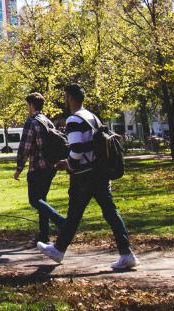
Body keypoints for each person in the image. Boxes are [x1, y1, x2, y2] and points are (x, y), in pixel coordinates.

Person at [37, 84, 138, 270]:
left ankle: (58, 250)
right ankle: (126, 253)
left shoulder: (74, 120)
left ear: (71, 98)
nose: (65, 100)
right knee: (110, 213)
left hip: (84, 175)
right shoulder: (92, 117)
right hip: (99, 172)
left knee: (75, 214)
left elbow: (76, 149)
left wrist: (66, 163)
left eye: (66, 97)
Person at [13, 92, 67, 245]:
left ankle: (61, 222)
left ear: (31, 105)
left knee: (34, 200)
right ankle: (44, 235)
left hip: (37, 167)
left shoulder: (32, 121)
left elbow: (25, 147)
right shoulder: (47, 121)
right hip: (51, 166)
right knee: (42, 200)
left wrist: (19, 168)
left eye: (28, 105)